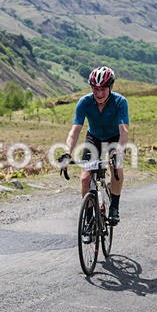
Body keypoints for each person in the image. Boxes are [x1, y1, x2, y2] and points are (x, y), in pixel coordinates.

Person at [58, 66, 130, 240]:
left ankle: (114, 207)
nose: (99, 93)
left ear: (110, 88)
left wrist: (117, 151)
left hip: (114, 139)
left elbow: (124, 131)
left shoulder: (120, 101)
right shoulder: (84, 102)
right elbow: (75, 131)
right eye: (95, 89)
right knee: (85, 178)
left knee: (116, 166)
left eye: (103, 89)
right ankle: (89, 220)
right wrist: (68, 152)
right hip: (94, 139)